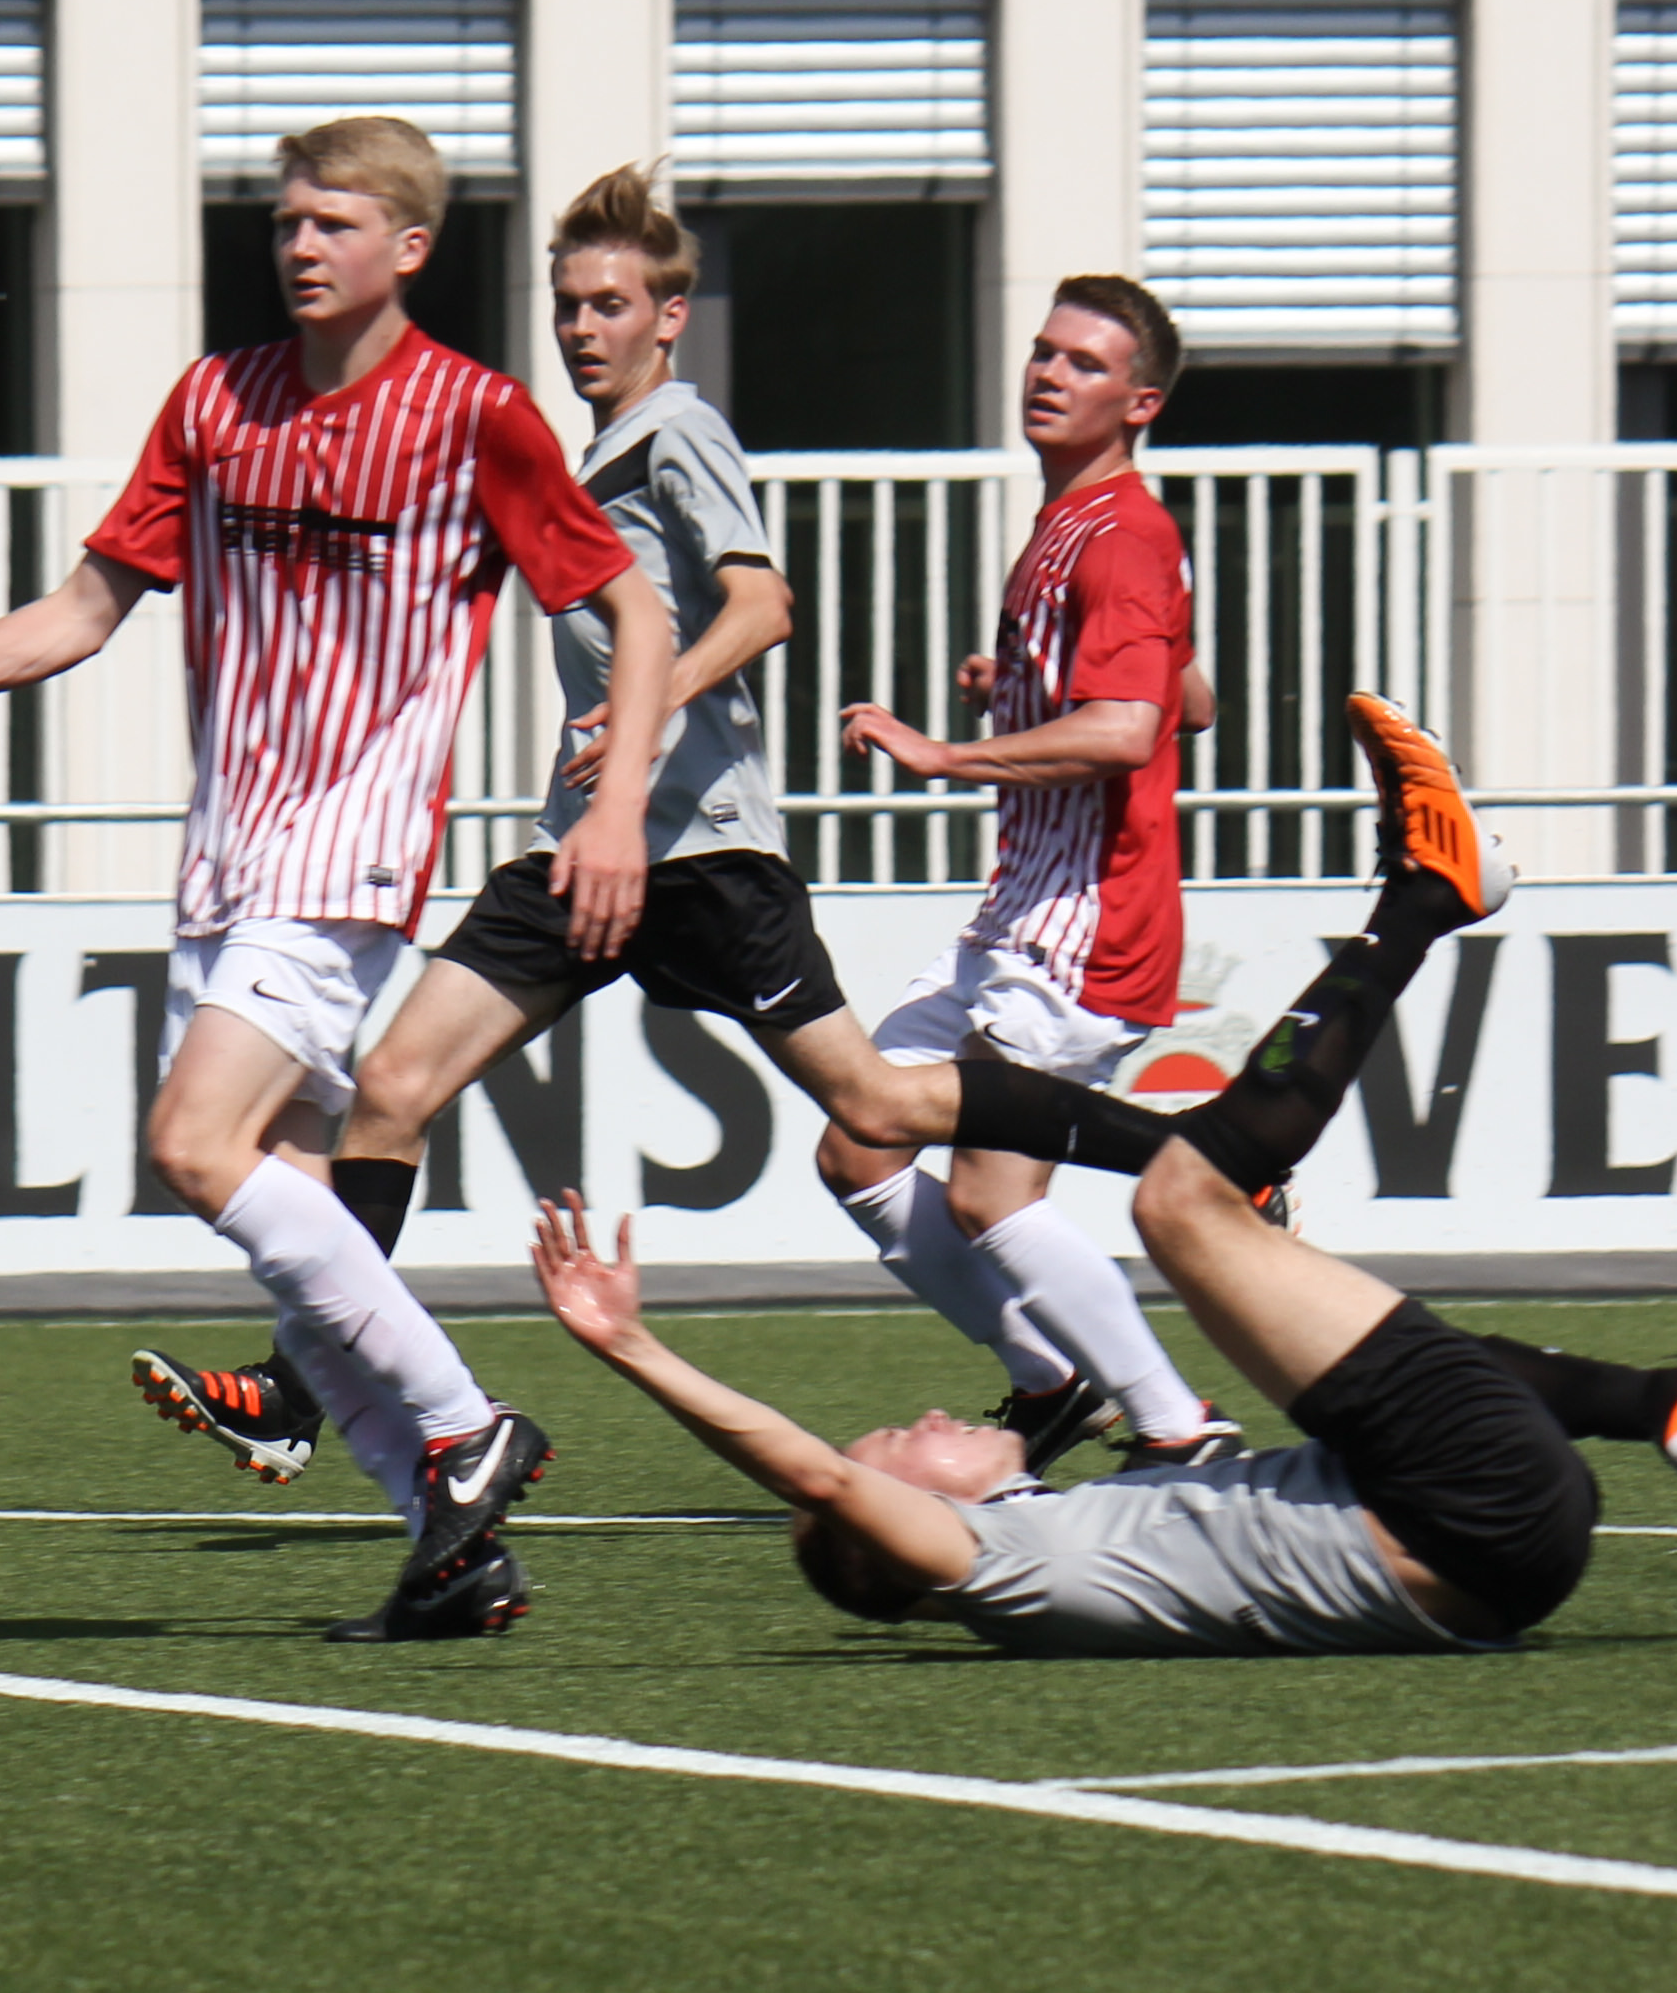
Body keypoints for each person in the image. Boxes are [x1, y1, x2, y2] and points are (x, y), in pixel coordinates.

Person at [134, 178, 1225, 1543]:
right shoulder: (582, 450)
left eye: (611, 305)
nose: (582, 329)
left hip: (701, 854)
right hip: (580, 846)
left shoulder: (679, 432)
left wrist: (648, 715)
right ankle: (304, 1385)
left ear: (669, 318)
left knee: (871, 1109)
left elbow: (761, 604)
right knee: (391, 1089)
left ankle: (1192, 1156)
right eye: (567, 306)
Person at [531, 693, 1677, 1657]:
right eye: (896, 1444)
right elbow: (816, 1479)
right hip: (1468, 1521)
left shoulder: (1066, 1529)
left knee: (1294, 1282)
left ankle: (1670, 1398)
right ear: (904, 1518)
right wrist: (628, 1344)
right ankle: (1421, 895)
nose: (923, 1415)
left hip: (1490, 1539)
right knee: (1178, 1198)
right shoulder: (986, 1566)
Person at [0, 117, 676, 1640]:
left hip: (346, 854)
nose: (297, 245)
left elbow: (637, 610)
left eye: (331, 222)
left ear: (409, 248)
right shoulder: (212, 399)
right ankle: (448, 1553)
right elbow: (80, 610)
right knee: (290, 1215)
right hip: (224, 856)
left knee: (190, 1143)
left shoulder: (476, 415)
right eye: (285, 220)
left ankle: (465, 1422)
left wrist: (614, 813)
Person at [826, 275, 1237, 1469]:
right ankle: (1048, 1382)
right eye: (1044, 352)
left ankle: (1175, 1427)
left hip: (1084, 928)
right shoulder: (1073, 524)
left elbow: (1127, 730)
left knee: (989, 1197)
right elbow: (1188, 699)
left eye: (1084, 364)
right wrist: (1020, 688)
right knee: (858, 1142)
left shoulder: (1125, 535)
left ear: (1140, 403)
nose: (1049, 374)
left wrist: (947, 753)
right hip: (1017, 916)